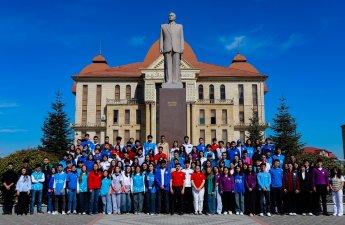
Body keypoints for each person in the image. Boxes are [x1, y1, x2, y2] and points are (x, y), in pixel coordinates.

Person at [160, 12, 184, 85]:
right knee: (168, 65)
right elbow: (161, 38)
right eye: (169, 15)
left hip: (177, 47)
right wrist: (161, 47)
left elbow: (181, 38)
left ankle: (176, 80)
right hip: (167, 47)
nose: (170, 16)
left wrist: (182, 47)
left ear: (175, 17)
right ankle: (169, 80)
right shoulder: (163, 26)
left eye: (172, 15)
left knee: (176, 65)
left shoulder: (180, 26)